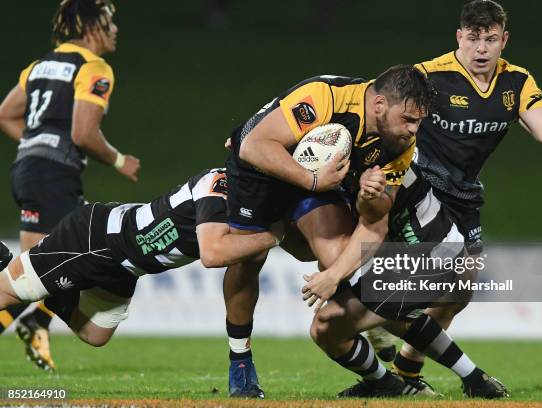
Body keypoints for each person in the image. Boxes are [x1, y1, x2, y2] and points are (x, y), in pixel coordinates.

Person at [365, 0, 542, 394]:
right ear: (459, 38)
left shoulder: (516, 82)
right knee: (436, 274)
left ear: (504, 40)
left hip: (464, 193)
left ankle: (404, 366)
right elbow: (382, 113)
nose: (481, 49)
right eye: (473, 39)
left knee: (460, 290)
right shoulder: (428, 76)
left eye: (490, 39)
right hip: (420, 183)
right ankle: (375, 315)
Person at [223, 66, 433, 397]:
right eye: (408, 119)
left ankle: (379, 359)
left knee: (340, 260)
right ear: (379, 105)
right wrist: (313, 180)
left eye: (419, 121)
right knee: (248, 257)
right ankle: (240, 360)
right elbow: (253, 146)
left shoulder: (399, 145)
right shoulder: (327, 99)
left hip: (317, 181)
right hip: (261, 169)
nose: (413, 130)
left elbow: (375, 223)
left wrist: (367, 199)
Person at [0, 0, 141, 371]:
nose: (115, 29)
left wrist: (36, 147)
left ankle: (36, 321)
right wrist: (118, 160)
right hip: (52, 178)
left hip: (29, 171)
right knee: (43, 270)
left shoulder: (39, 65)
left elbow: (5, 114)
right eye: (109, 22)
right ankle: (33, 316)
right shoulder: (94, 67)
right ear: (92, 27)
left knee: (35, 272)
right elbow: (83, 132)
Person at [0, 169, 282, 348]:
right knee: (10, 291)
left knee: (96, 335)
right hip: (95, 239)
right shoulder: (219, 183)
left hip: (125, 267)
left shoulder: (250, 203)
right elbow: (212, 254)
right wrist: (272, 238)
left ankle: (52, 290)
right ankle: (7, 265)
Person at [303, 163, 508, 398]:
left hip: (425, 259)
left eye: (414, 123)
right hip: (432, 249)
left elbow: (374, 223)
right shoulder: (386, 153)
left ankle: (386, 384)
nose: (410, 129)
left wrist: (333, 275)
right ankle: (476, 379)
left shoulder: (378, 166)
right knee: (397, 319)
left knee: (326, 327)